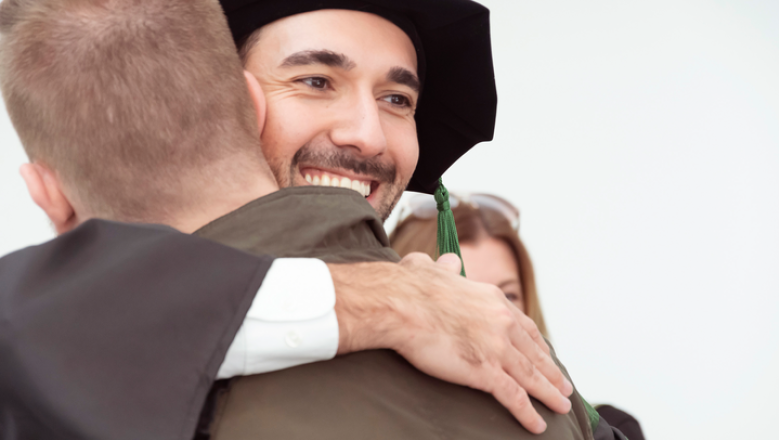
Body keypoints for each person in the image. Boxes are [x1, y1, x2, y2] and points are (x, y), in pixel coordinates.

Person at [0, 0, 623, 439]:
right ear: (229, 97)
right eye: (316, 80)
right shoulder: (81, 341)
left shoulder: (498, 345)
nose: (367, 136)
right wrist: (381, 300)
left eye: (397, 99)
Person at [391, 192, 645, 440]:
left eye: (508, 296)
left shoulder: (608, 426)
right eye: (465, 296)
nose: (497, 314)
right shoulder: (370, 422)